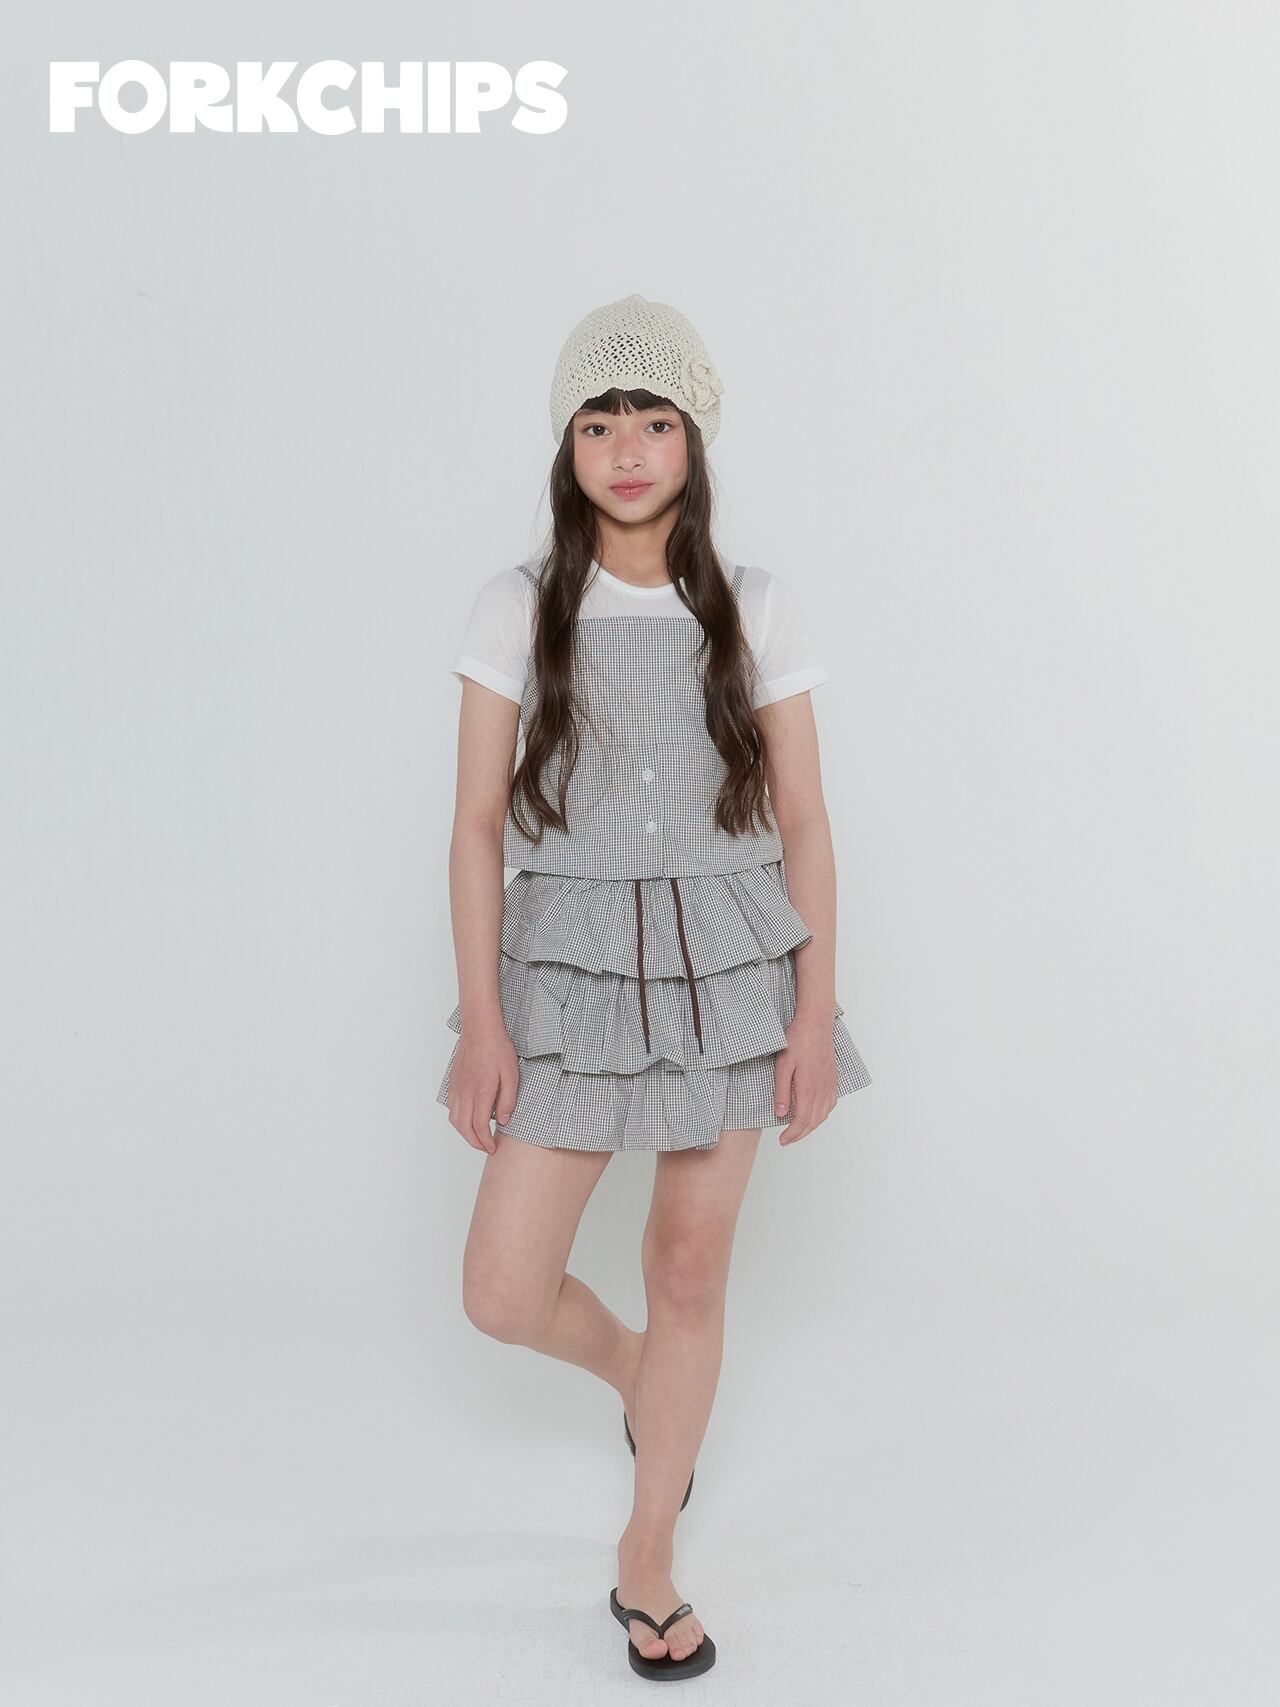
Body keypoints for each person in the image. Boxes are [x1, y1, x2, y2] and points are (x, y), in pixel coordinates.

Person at [435, 292, 872, 1682]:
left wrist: (812, 1016)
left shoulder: (755, 604)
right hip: (567, 971)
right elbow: (475, 826)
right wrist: (484, 1024)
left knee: (689, 1265)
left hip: (724, 970)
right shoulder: (521, 604)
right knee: (501, 1289)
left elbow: (805, 821)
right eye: (599, 420)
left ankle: (647, 1556)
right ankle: (642, 1380)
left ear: (695, 438)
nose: (627, 449)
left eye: (656, 419)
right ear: (567, 442)